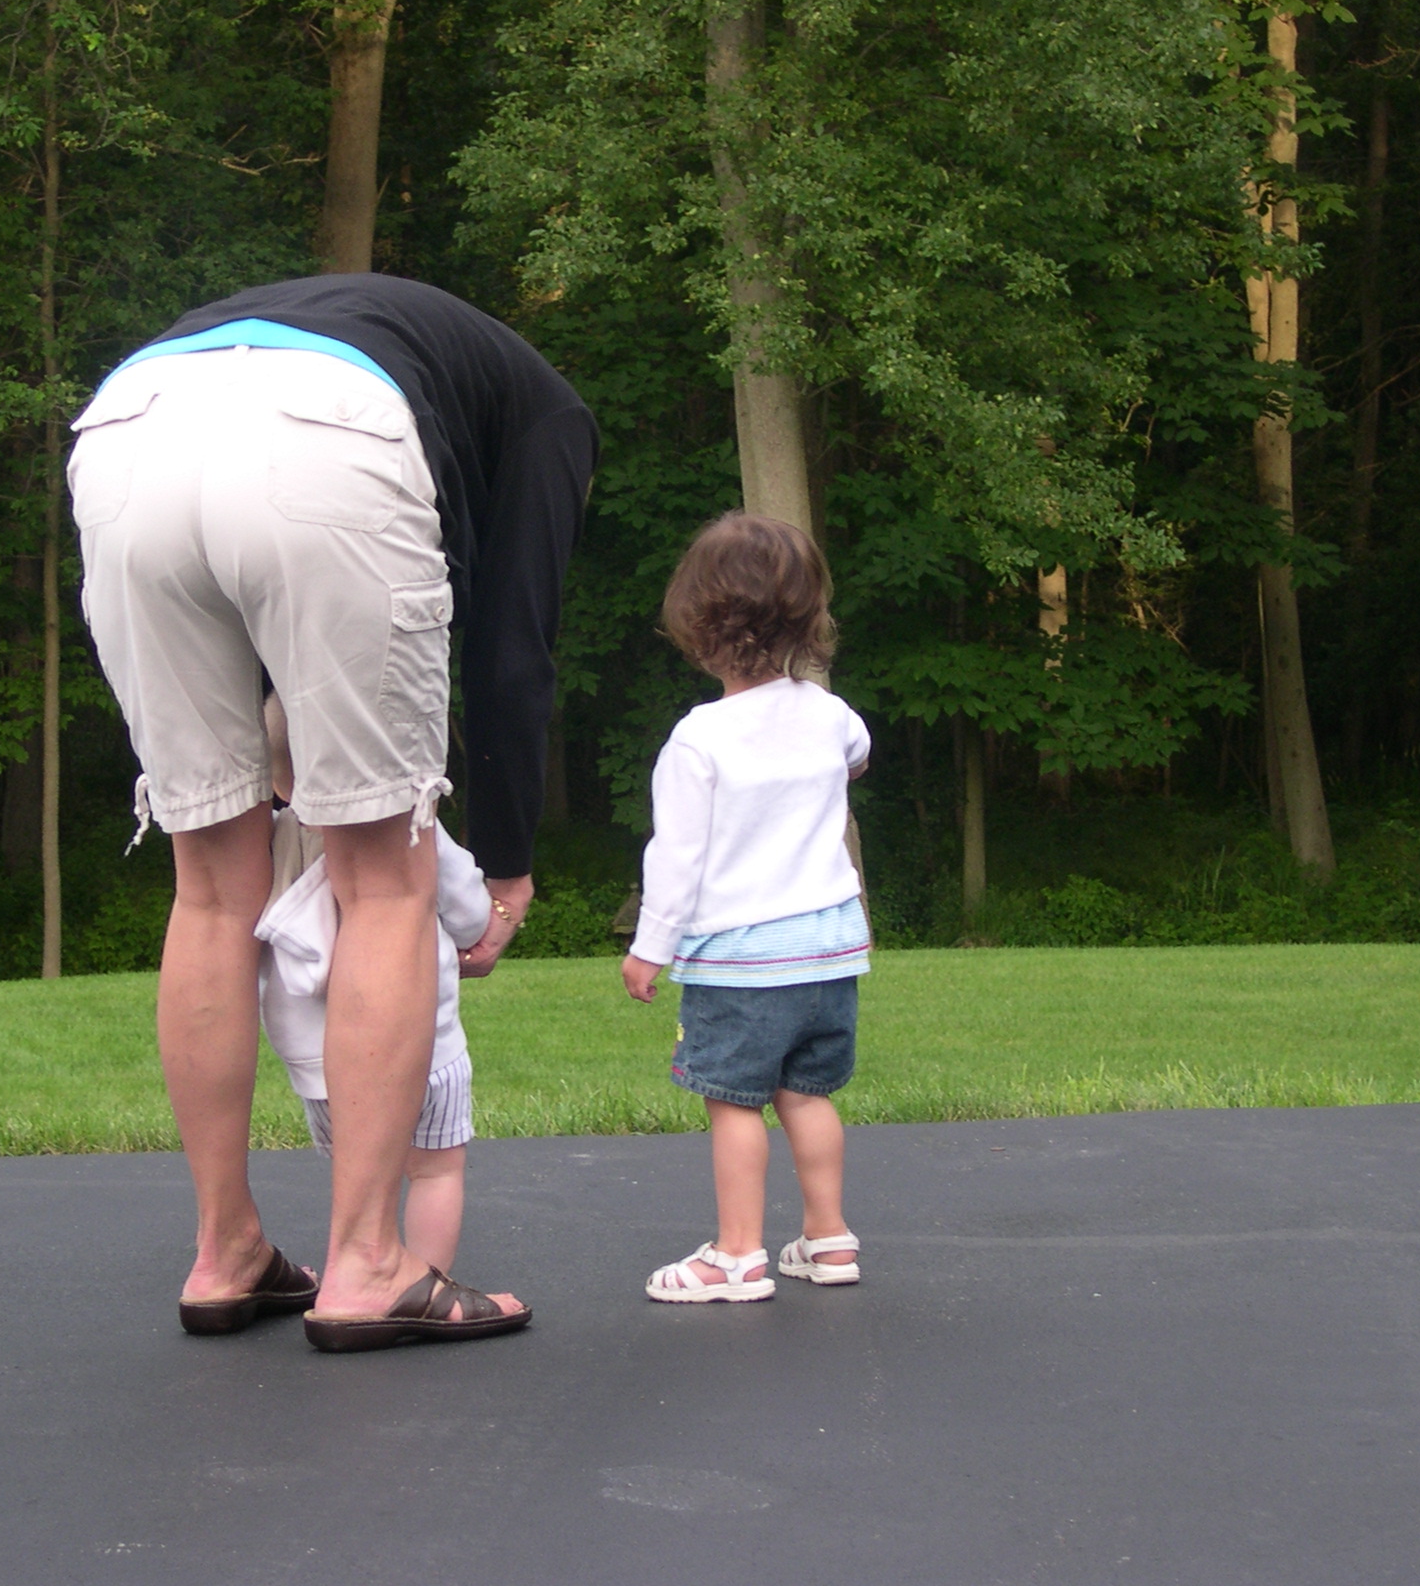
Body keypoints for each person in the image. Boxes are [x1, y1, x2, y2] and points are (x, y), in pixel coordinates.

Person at [68, 273, 596, 1349]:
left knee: (210, 888)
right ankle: (366, 1263)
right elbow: (510, 649)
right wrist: (503, 859)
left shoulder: (408, 334)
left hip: (128, 426)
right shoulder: (553, 415)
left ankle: (227, 1254)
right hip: (331, 431)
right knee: (384, 882)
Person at [620, 513, 870, 1302]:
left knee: (734, 1103)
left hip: (741, 959)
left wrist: (649, 946)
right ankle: (829, 1240)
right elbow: (858, 757)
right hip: (829, 951)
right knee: (808, 1093)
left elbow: (678, 858)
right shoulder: (828, 714)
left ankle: (736, 1256)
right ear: (808, 618)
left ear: (697, 625)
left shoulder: (700, 740)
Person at [254, 695, 485, 1276]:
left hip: (319, 1064)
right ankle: (424, 1281)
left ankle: (353, 1265)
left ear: (279, 777)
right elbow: (469, 912)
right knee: (436, 1170)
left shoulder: (271, 845)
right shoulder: (412, 829)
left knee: (358, 1172)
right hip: (424, 1049)